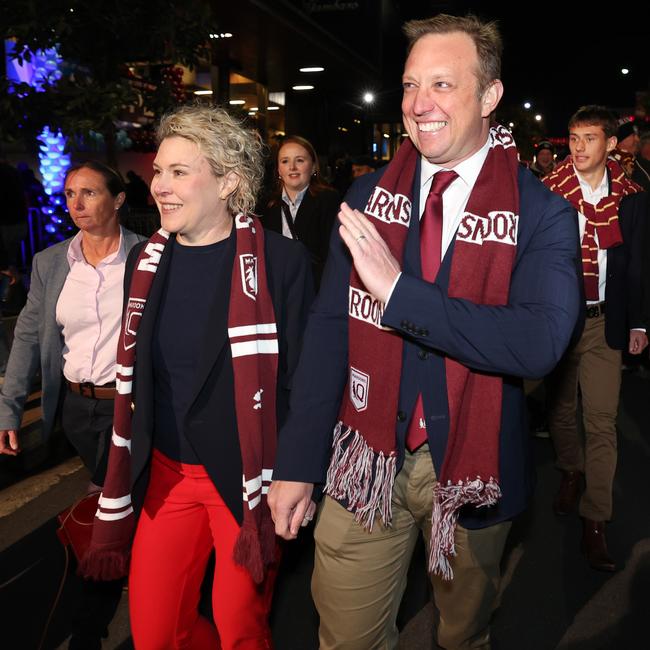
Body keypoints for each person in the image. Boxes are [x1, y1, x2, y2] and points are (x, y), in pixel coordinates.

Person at [268, 13, 581, 650]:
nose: (418, 105)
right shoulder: (365, 193)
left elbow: (538, 342)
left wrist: (400, 294)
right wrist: (297, 461)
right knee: (345, 636)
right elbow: (329, 333)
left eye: (442, 84)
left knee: (462, 635)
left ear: (490, 96)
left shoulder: (542, 212)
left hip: (470, 463)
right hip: (364, 457)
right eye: (411, 85)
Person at [81, 105, 313, 649]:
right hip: (165, 475)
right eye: (159, 171)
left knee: (240, 632)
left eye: (179, 172)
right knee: (157, 633)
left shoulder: (282, 262)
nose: (159, 185)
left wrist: (299, 473)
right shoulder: (148, 263)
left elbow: (304, 381)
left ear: (228, 181)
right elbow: (139, 381)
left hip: (246, 480)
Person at [0, 160, 145, 649]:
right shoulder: (50, 262)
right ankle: (137, 574)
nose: (76, 205)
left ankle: (90, 626)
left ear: (118, 199)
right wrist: (10, 407)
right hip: (78, 412)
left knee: (108, 508)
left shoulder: (148, 257)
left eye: (88, 193)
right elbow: (26, 336)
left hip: (131, 410)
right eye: (68, 195)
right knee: (121, 510)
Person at [543, 106, 648, 571]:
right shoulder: (547, 193)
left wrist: (640, 324)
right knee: (562, 410)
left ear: (610, 144)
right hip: (560, 322)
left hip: (606, 323)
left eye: (589, 137)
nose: (579, 146)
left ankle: (596, 519)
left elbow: (640, 264)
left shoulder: (631, 197)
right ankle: (570, 469)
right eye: (573, 137)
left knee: (602, 421)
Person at [262, 135, 339, 289]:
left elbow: (332, 257)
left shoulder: (329, 201)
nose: (292, 167)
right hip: (275, 291)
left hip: (313, 289)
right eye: (285, 161)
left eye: (300, 160)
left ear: (313, 167)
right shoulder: (265, 205)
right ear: (278, 169)